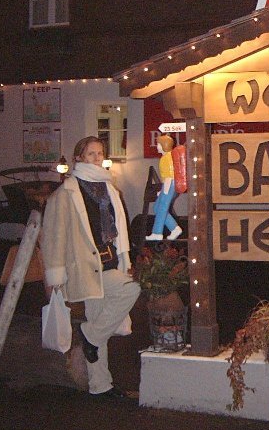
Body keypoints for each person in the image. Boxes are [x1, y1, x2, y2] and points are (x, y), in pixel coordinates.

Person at [41, 136, 140, 397]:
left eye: (100, 153)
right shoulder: (66, 194)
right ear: (79, 158)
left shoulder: (109, 189)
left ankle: (99, 384)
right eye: (91, 154)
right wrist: (55, 277)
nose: (97, 158)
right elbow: (54, 236)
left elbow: (118, 231)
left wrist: (124, 260)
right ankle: (91, 340)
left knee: (99, 325)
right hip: (84, 268)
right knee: (131, 291)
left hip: (109, 262)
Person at [145, 134, 183, 241]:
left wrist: (164, 191)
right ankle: (175, 228)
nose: (157, 146)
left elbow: (169, 176)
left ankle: (157, 232)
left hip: (169, 185)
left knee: (161, 208)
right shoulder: (168, 157)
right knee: (157, 207)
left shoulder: (166, 158)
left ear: (164, 145)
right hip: (170, 185)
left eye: (158, 144)